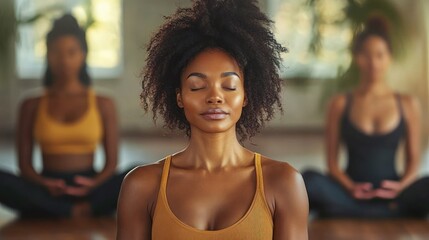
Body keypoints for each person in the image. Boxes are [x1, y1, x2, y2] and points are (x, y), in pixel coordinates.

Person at [116, 0, 308, 239]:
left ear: (246, 95)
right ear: (179, 98)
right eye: (197, 87)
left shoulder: (284, 182)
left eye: (229, 86)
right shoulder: (142, 185)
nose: (215, 97)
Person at [0, 14, 128, 218]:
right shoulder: (30, 105)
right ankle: (78, 210)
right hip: (46, 186)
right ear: (48, 56)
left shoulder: (104, 103)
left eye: (71, 52)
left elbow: (111, 164)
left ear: (83, 55)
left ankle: (57, 210)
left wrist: (93, 184)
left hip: (90, 187)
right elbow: (25, 166)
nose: (64, 60)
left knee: (136, 172)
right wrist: (44, 183)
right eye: (56, 52)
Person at [303, 16, 429, 218]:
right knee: (308, 180)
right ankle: (383, 213)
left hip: (395, 196)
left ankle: (372, 210)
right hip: (350, 195)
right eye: (366, 55)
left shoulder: (407, 103)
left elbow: (413, 162)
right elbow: (332, 164)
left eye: (380, 55)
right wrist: (351, 187)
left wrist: (400, 187)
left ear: (389, 57)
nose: (374, 63)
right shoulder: (340, 103)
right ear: (357, 58)